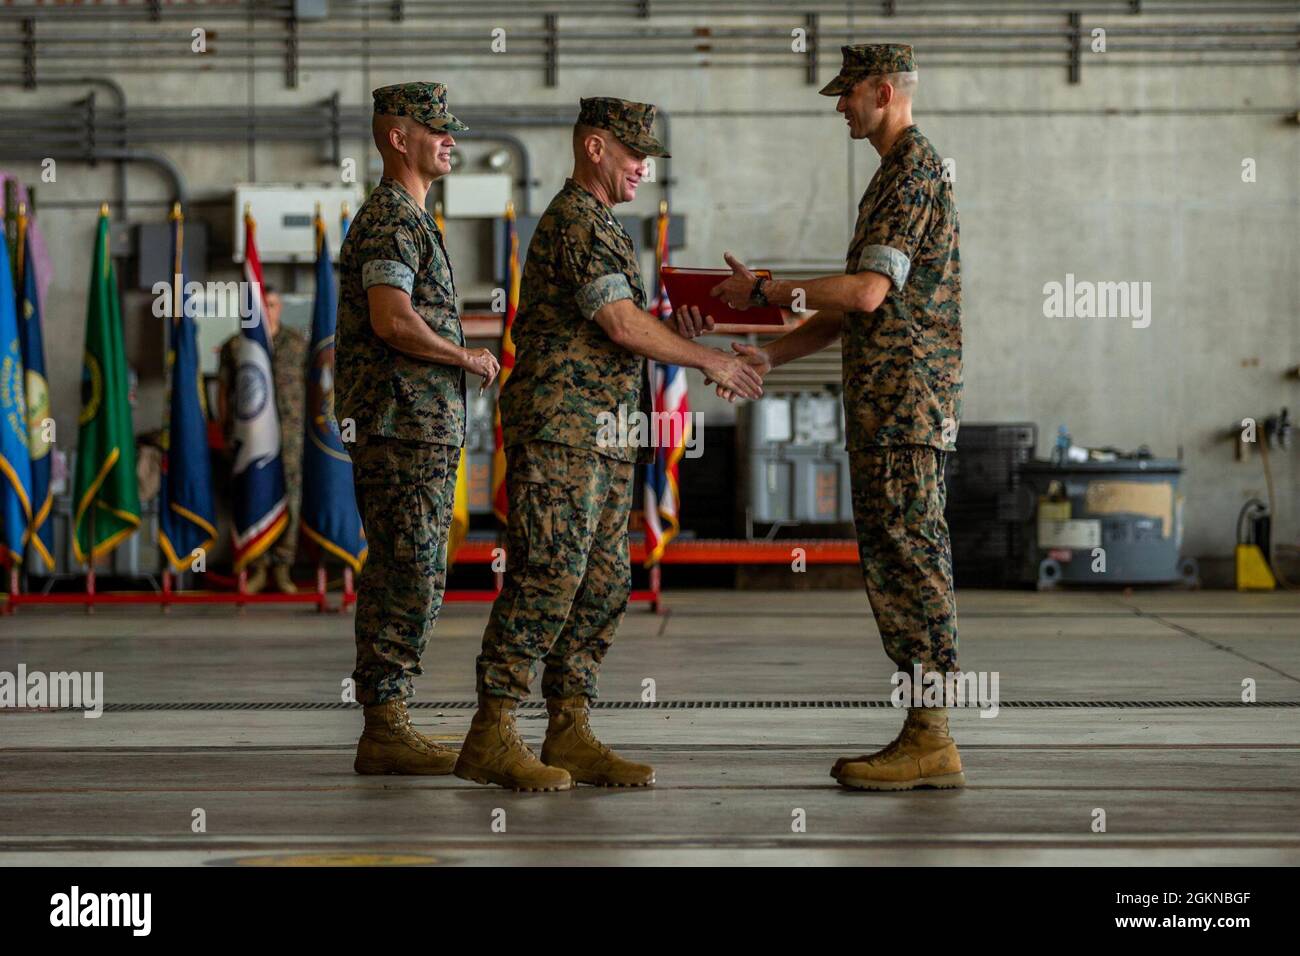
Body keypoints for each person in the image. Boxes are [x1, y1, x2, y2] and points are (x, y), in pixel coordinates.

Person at [454, 97, 765, 792]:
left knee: (601, 584)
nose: (643, 168)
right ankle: (492, 729)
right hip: (560, 431)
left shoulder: (604, 227)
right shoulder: (574, 221)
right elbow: (621, 326)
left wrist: (684, 326)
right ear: (594, 148)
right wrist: (709, 360)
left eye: (649, 157)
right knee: (548, 574)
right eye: (633, 154)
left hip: (603, 434)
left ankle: (569, 725)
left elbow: (626, 324)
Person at [678, 44, 966, 791]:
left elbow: (866, 294)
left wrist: (768, 289)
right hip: (886, 404)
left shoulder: (912, 171)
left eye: (847, 95)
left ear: (881, 91)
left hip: (906, 405)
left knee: (911, 559)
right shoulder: (889, 178)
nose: (840, 106)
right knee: (895, 557)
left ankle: (933, 733)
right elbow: (850, 313)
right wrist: (773, 355)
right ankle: (924, 730)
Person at [335, 81, 500, 775]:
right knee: (407, 570)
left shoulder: (413, 218)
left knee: (418, 569)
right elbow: (391, 318)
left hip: (420, 427)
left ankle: (390, 719)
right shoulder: (392, 219)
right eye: (437, 129)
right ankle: (385, 724)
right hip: (401, 427)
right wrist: (464, 355)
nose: (451, 139)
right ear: (398, 138)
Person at [217, 285, 308, 594]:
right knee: (252, 494)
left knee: (292, 498)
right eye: (260, 305)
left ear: (279, 307)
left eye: (271, 304)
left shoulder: (297, 343)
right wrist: (226, 430)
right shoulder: (236, 346)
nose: (266, 311)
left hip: (292, 437)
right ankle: (258, 565)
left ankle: (283, 567)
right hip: (252, 438)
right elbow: (223, 392)